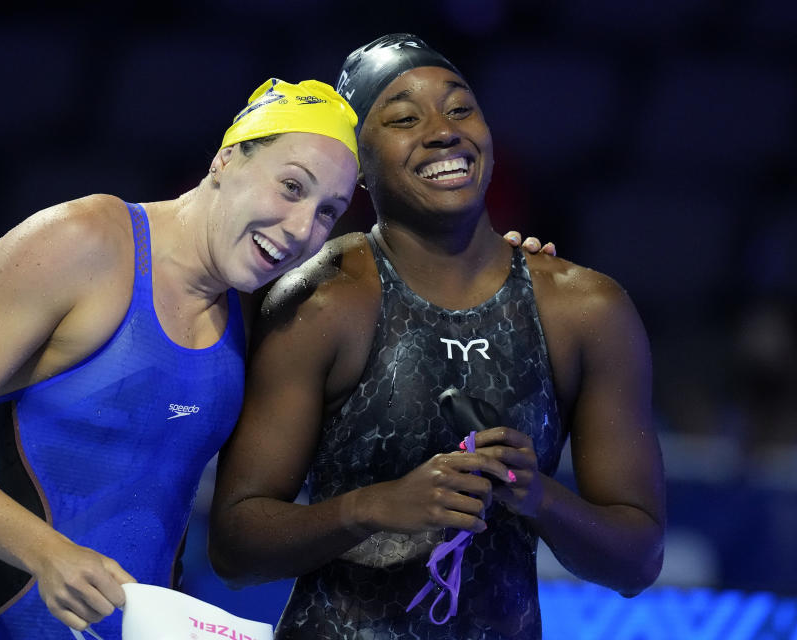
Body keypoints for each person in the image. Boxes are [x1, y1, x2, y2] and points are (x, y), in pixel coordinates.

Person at [0, 77, 363, 640]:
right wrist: (47, 554)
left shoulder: (248, 312)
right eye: (292, 187)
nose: (302, 229)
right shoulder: (83, 243)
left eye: (329, 211)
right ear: (226, 160)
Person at [208, 34, 666, 640]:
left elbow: (637, 562)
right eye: (402, 118)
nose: (442, 131)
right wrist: (371, 508)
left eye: (459, 109)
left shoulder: (586, 310)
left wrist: (540, 500)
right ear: (359, 169)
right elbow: (236, 546)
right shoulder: (325, 302)